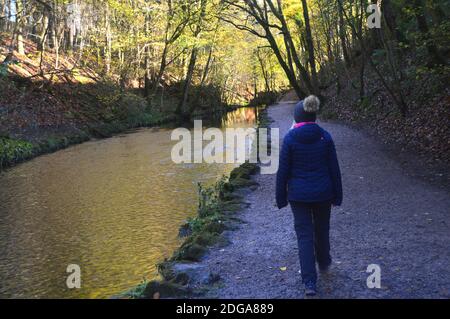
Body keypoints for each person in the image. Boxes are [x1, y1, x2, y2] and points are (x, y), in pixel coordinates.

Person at [276, 95, 343, 297]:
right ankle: (324, 262)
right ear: (314, 116)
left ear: (297, 118)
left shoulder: (289, 139)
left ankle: (309, 283)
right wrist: (337, 196)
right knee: (322, 229)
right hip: (323, 193)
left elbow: (283, 171)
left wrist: (281, 197)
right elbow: (334, 169)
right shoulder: (325, 136)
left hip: (298, 196)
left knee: (304, 236)